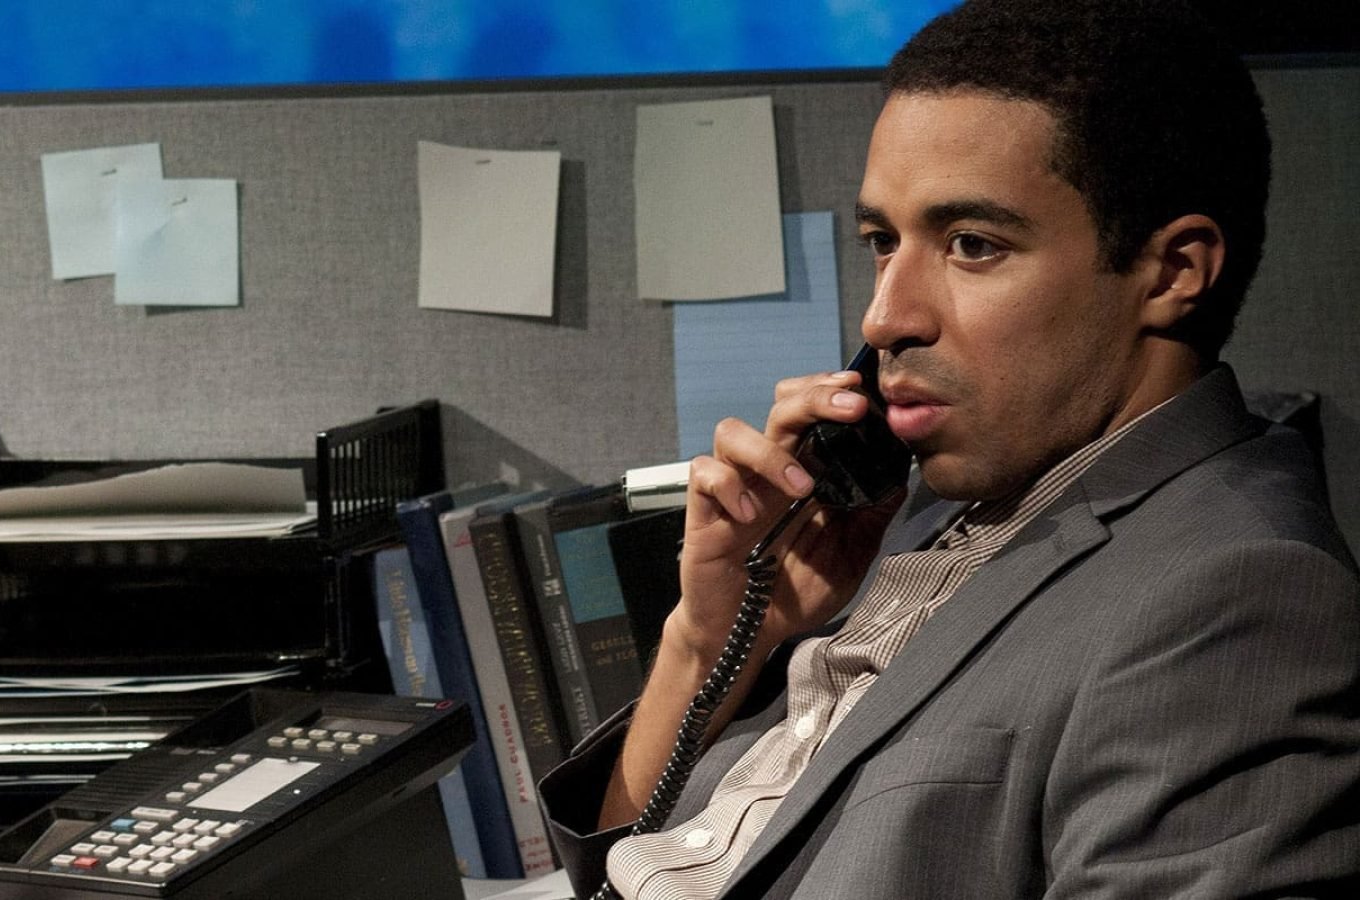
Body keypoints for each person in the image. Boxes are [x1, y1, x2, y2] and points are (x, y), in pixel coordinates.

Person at [538, 0, 1360, 897]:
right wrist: (713, 635)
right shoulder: (923, 506)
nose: (884, 317)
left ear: (1171, 272)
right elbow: (618, 866)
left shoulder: (1240, 595)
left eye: (972, 245)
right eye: (883, 243)